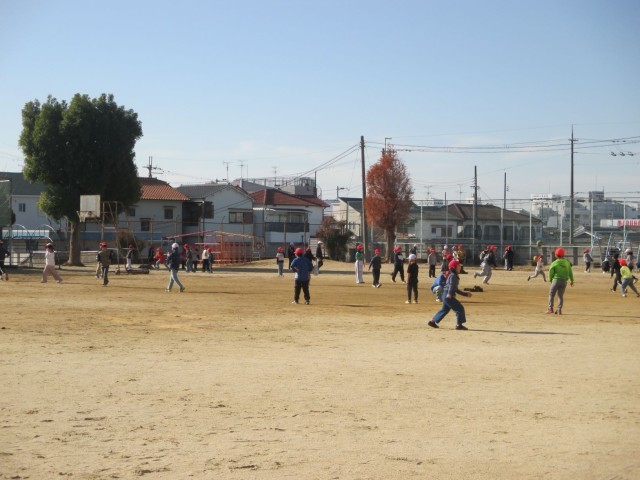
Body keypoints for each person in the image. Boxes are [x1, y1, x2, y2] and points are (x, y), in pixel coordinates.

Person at [428, 260, 472, 330]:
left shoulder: (453, 275)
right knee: (459, 308)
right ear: (454, 267)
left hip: (446, 295)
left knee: (444, 310)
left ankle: (432, 322)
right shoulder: (453, 275)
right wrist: (449, 293)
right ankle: (459, 325)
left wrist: (465, 294)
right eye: (458, 266)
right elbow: (451, 285)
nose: (460, 267)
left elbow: (455, 289)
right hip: (447, 295)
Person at [547, 247, 574, 314]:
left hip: (556, 280)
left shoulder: (554, 263)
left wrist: (551, 279)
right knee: (560, 296)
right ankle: (559, 310)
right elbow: (570, 272)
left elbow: (550, 272)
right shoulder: (567, 263)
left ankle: (550, 309)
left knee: (551, 294)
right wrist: (572, 281)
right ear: (563, 255)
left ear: (556, 255)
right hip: (564, 281)